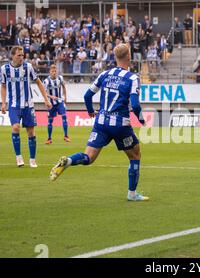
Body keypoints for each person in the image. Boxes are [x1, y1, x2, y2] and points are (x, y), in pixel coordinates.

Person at [49, 43, 148, 202]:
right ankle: (132, 194)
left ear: (115, 57)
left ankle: (68, 161)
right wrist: (142, 119)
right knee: (135, 155)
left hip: (101, 122)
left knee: (89, 157)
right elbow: (135, 105)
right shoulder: (132, 78)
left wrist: (90, 112)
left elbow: (87, 96)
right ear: (129, 57)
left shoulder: (105, 74)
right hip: (120, 124)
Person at [0, 46, 52, 167]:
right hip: (14, 105)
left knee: (31, 132)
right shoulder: (5, 69)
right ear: (12, 56)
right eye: (19, 55)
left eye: (22, 55)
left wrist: (46, 99)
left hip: (28, 105)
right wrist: (3, 103)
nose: (21, 57)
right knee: (16, 127)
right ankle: (19, 157)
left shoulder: (28, 67)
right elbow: (3, 86)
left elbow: (38, 82)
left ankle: (32, 160)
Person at [43, 64, 70, 145]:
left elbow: (64, 87)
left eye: (55, 71)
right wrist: (50, 97)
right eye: (52, 71)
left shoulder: (60, 78)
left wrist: (65, 97)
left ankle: (66, 136)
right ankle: (49, 138)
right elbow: (44, 92)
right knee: (50, 121)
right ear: (50, 72)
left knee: (64, 116)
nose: (54, 73)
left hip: (60, 101)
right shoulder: (46, 81)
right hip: (51, 104)